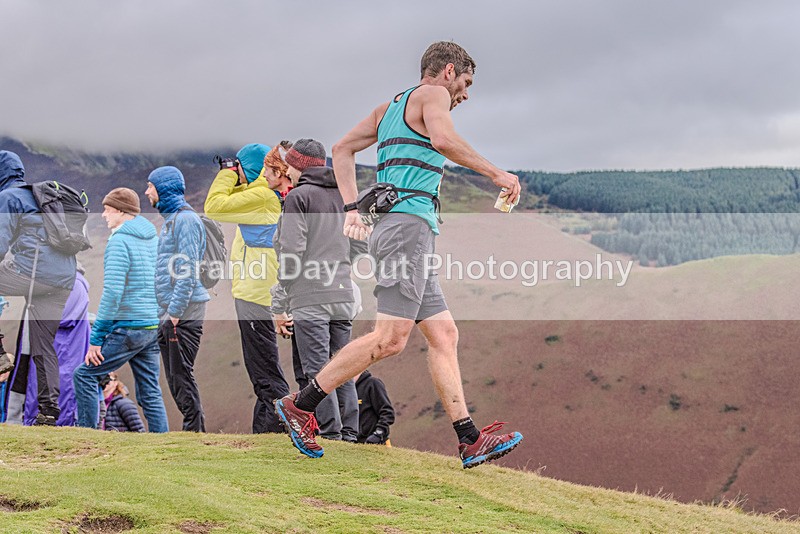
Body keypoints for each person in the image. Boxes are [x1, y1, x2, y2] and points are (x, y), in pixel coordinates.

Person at [275, 41, 524, 468]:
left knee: (444, 334)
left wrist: (355, 208)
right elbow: (443, 139)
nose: (465, 94)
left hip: (408, 229)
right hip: (406, 228)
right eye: (465, 83)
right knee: (390, 339)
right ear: (448, 71)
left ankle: (468, 438)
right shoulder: (433, 95)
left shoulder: (389, 108)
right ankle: (302, 405)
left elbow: (341, 149)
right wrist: (498, 174)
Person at [271, 139, 363, 444]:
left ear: (298, 166)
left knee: (316, 370)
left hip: (310, 296)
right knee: (343, 366)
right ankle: (350, 434)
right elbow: (360, 242)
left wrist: (283, 292)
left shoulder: (298, 198)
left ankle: (331, 434)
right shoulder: (345, 194)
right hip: (342, 293)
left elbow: (291, 251)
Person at [204, 143, 291, 434]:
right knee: (261, 366)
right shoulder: (259, 194)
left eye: (240, 166)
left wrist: (228, 172)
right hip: (254, 291)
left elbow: (214, 206)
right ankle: (267, 428)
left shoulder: (262, 196)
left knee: (264, 368)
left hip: (257, 294)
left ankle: (278, 426)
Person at [72, 188, 169, 432]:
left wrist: (96, 339)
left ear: (120, 210)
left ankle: (87, 438)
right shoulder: (152, 237)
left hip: (129, 327)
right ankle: (164, 442)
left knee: (84, 375)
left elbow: (113, 293)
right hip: (150, 326)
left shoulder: (119, 241)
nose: (103, 215)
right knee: (150, 390)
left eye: (107, 209)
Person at [0, 150, 77, 425]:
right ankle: (48, 411)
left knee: (42, 345)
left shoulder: (8, 198)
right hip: (63, 280)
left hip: (35, 275)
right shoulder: (42, 196)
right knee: (45, 346)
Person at [146, 167, 210, 432]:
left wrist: (175, 311)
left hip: (184, 310)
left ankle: (194, 432)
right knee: (175, 376)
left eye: (150, 186)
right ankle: (191, 430)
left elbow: (188, 268)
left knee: (181, 374)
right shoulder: (172, 220)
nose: (147, 191)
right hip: (173, 310)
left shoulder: (185, 220)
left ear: (163, 188)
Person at [4, 270, 90, 426]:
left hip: (60, 360)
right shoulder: (46, 281)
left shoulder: (73, 282)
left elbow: (63, 318)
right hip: (38, 358)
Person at [355, 370, 395, 445]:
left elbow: (387, 412)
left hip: (376, 442)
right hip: (354, 444)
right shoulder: (345, 390)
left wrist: (378, 434)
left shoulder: (373, 383)